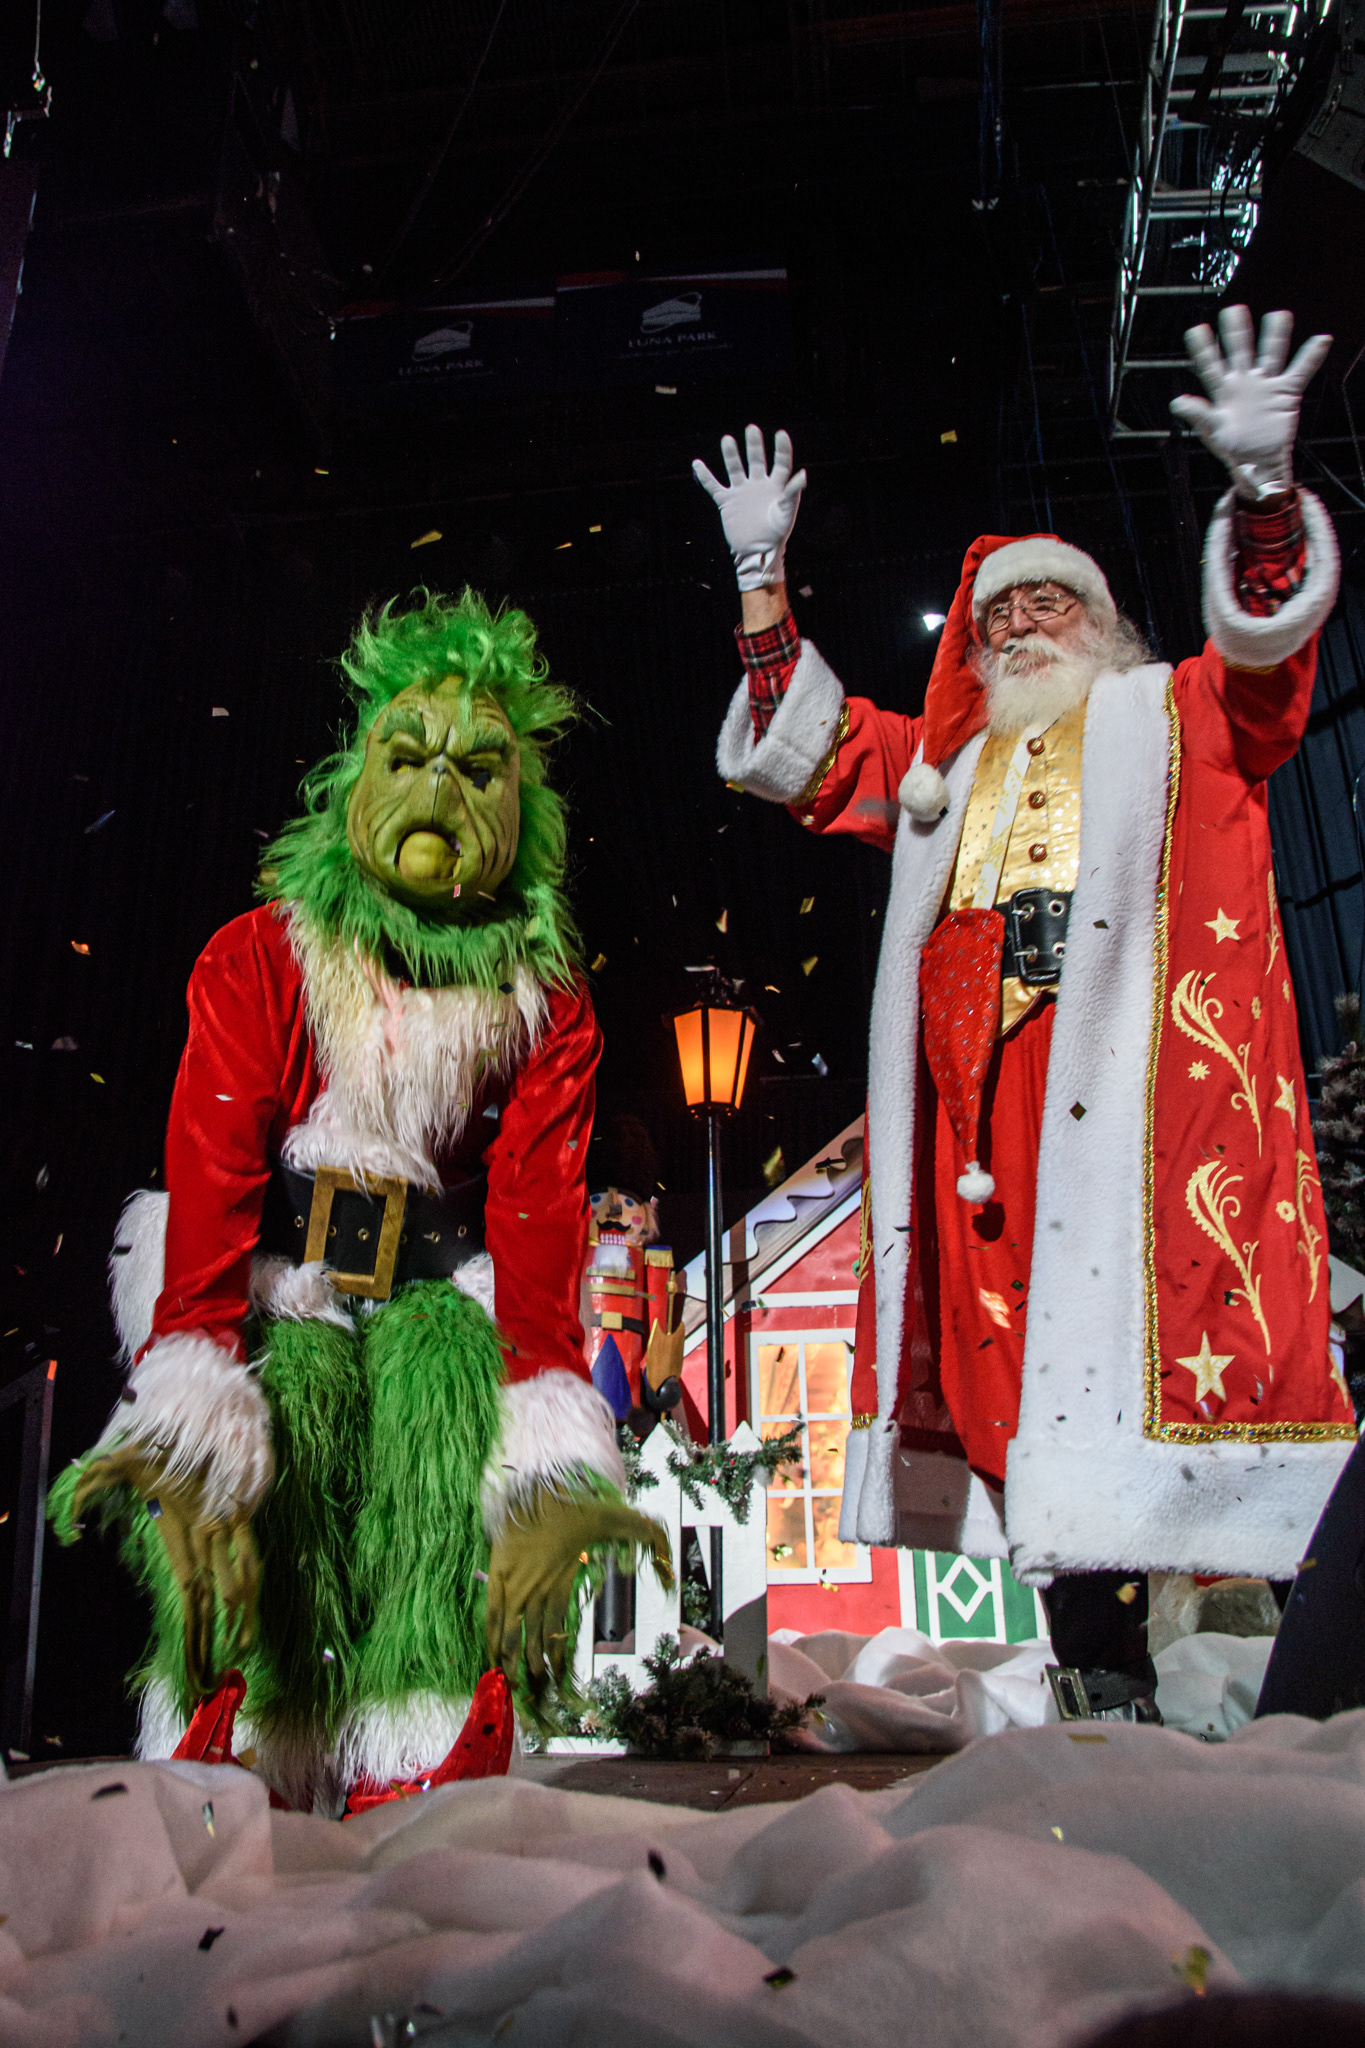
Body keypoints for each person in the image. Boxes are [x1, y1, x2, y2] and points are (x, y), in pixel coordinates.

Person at [694, 309, 1355, 1707]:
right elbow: (807, 754)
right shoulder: (944, 780)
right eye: (997, 619)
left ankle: (1253, 1686)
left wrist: (1260, 497)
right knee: (1026, 1404)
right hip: (987, 1143)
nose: (1017, 628)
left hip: (1137, 1118)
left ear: (1101, 622)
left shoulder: (1173, 717)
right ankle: (1095, 1671)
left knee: (1170, 1372)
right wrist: (762, 577)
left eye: (1046, 605)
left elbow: (1268, 661)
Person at [53, 589, 670, 1812]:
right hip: (276, 1273)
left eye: (477, 766)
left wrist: (543, 1449)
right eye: (410, 755)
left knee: (439, 1412)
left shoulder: (548, 1004)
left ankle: (418, 1736)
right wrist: (193, 1399)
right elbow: (213, 1173)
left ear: (523, 810)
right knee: (293, 1410)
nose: (439, 784)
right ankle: (237, 1722)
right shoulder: (261, 956)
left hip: (433, 1279)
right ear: (357, 779)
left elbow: (540, 1214)